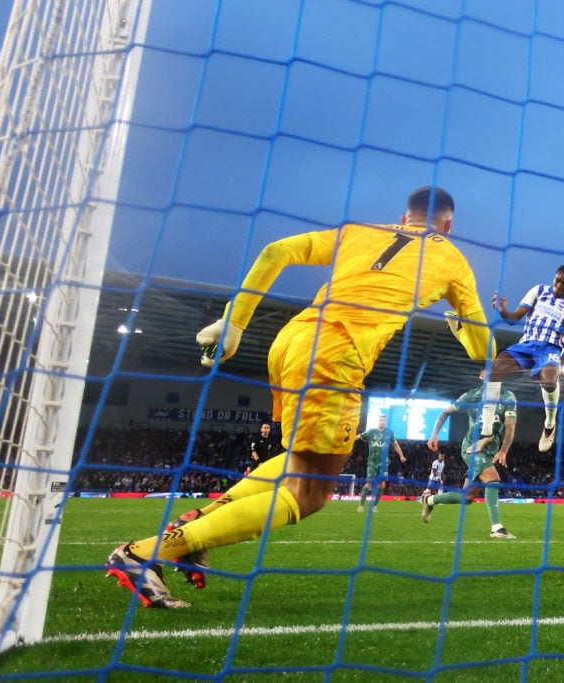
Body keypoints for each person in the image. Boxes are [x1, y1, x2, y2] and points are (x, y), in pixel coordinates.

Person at [106, 186, 495, 608]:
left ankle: (193, 525)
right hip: (335, 354)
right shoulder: (453, 261)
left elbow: (276, 251)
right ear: (449, 226)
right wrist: (463, 323)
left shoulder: (360, 231)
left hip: (293, 339)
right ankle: (144, 553)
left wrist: (234, 324)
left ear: (404, 218)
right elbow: (482, 352)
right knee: (308, 494)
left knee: (298, 462)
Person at [481, 265, 564, 452]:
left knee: (549, 382)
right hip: (526, 344)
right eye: (558, 280)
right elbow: (513, 318)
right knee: (494, 370)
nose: (559, 285)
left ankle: (550, 423)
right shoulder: (538, 291)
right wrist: (502, 310)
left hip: (550, 348)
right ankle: (486, 431)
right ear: (554, 278)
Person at [422, 374, 517, 539]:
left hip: (490, 450)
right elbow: (446, 412)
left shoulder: (508, 397)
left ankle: (430, 500)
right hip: (472, 448)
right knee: (493, 479)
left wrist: (503, 450)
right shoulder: (472, 396)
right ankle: (497, 528)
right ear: (482, 377)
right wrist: (434, 434)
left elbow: (510, 425)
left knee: (467, 497)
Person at [355, 414, 406, 512]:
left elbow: (395, 445)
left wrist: (401, 455)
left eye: (384, 420)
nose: (382, 422)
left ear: (385, 422)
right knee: (368, 483)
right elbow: (359, 436)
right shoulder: (371, 432)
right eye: (380, 420)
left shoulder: (389, 433)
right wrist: (348, 441)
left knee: (382, 485)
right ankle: (360, 505)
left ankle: (374, 506)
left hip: (383, 464)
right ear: (378, 421)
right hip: (372, 463)